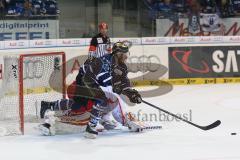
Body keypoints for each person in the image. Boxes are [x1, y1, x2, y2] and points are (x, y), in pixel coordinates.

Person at [38, 41, 144, 139]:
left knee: (78, 107)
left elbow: (123, 82)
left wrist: (132, 94)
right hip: (83, 84)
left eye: (127, 54)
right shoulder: (103, 61)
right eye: (124, 54)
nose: (126, 57)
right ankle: (91, 127)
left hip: (89, 85)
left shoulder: (122, 67)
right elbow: (99, 79)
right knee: (101, 99)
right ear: (118, 54)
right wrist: (115, 86)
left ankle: (48, 105)